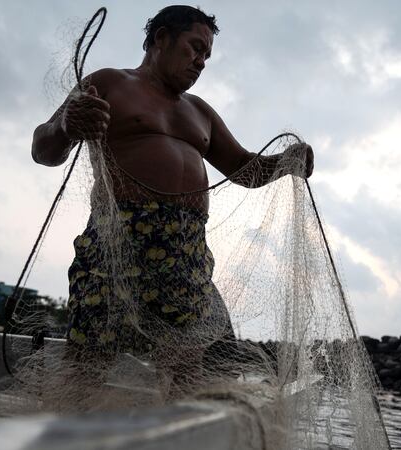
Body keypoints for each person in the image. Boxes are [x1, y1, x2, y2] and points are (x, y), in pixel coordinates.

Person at [31, 5, 314, 382]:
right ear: (161, 38)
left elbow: (245, 169)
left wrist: (286, 161)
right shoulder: (110, 83)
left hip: (187, 251)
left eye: (207, 56)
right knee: (90, 359)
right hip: (118, 242)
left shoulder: (200, 112)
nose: (201, 61)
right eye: (195, 47)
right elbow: (43, 148)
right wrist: (67, 125)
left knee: (186, 364)